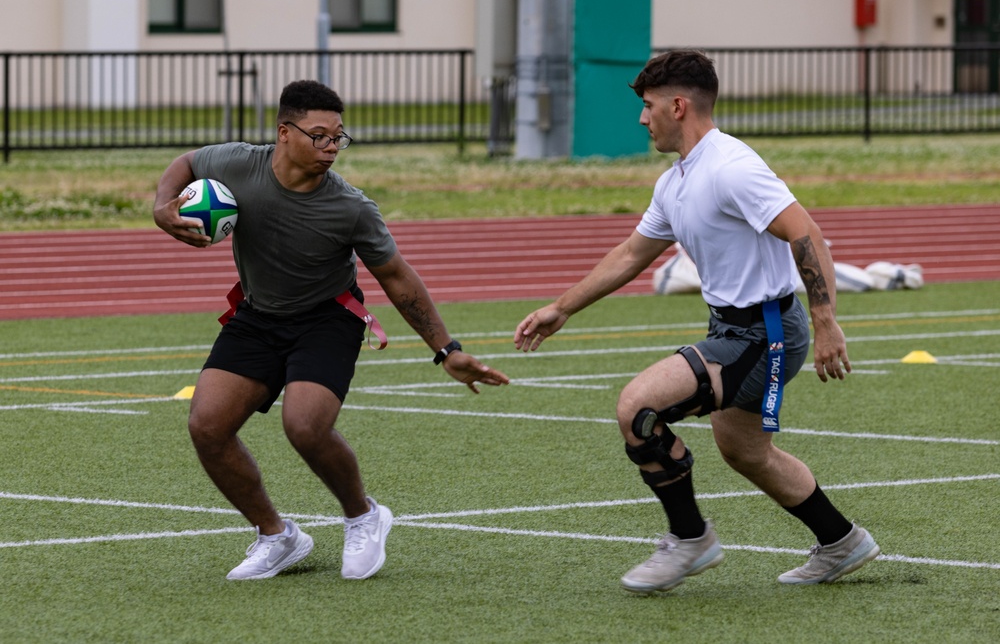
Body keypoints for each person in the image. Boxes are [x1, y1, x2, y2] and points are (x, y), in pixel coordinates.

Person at [514, 50, 879, 593]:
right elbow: (632, 254)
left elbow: (807, 233)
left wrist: (827, 322)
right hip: (733, 330)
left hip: (767, 332)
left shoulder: (732, 167)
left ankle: (690, 539)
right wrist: (561, 307)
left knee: (638, 409)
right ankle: (842, 541)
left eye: (648, 106)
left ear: (678, 106)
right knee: (747, 452)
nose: (643, 118)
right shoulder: (676, 181)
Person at [153, 80, 509, 581]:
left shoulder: (351, 207)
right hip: (257, 317)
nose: (330, 148)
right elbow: (187, 162)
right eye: (319, 135)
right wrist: (162, 206)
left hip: (328, 319)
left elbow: (398, 278)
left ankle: (363, 516)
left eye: (338, 137)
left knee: (304, 425)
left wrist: (446, 350)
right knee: (207, 427)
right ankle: (277, 536)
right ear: (283, 133)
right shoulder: (237, 164)